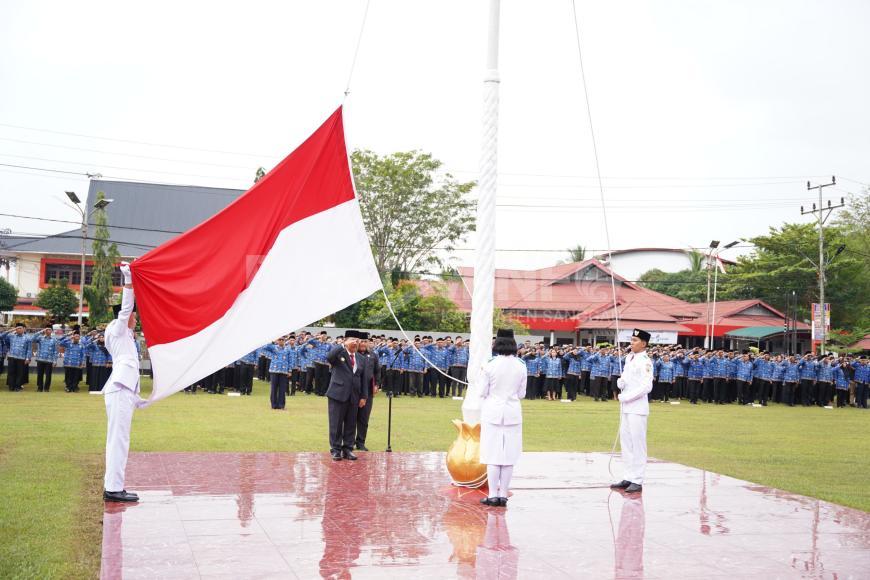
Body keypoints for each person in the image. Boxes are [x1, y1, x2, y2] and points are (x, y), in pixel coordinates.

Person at [102, 262, 146, 503]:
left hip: (123, 391)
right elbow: (126, 307)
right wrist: (129, 281)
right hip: (119, 389)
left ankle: (112, 485)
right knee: (118, 440)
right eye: (133, 317)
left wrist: (138, 398)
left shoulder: (126, 336)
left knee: (119, 439)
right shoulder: (116, 329)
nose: (135, 320)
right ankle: (113, 489)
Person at [479, 329, 526, 507]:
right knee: (509, 456)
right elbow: (521, 393)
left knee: (493, 455)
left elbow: (482, 391)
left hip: (492, 412)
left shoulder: (489, 364)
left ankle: (492, 495)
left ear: (496, 343)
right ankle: (503, 495)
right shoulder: (521, 365)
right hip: (512, 412)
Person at [611, 329, 654, 494]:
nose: (632, 343)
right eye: (631, 340)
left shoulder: (645, 362)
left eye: (635, 340)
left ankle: (637, 479)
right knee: (626, 443)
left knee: (638, 444)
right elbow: (629, 379)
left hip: (637, 408)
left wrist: (627, 396)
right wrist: (622, 382)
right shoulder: (629, 358)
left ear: (643, 343)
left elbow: (646, 386)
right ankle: (628, 476)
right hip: (626, 408)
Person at [325, 330, 367, 461]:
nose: (355, 342)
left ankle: (348, 449)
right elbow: (329, 357)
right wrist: (342, 345)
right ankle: (336, 449)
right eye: (352, 340)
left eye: (357, 340)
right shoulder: (339, 354)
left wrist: (364, 396)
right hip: (338, 394)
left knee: (351, 424)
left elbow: (363, 378)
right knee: (336, 423)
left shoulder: (361, 358)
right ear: (346, 340)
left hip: (354, 396)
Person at [355, 336, 380, 451]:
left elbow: (377, 371)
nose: (363, 343)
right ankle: (348, 443)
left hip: (368, 391)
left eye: (365, 341)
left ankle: (360, 442)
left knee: (364, 418)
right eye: (361, 341)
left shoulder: (373, 355)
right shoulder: (352, 354)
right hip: (353, 390)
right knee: (350, 418)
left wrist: (376, 385)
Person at [2, 323, 33, 391]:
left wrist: (28, 358)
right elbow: (2, 337)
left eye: (20, 328)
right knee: (11, 372)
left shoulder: (28, 338)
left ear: (23, 329)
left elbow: (29, 349)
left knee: (20, 373)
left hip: (21, 358)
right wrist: (10, 330)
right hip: (12, 357)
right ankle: (11, 386)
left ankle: (18, 387)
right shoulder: (11, 336)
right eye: (17, 328)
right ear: (15, 329)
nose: (19, 330)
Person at [33, 325, 60, 392]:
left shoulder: (54, 340)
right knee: (40, 374)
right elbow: (33, 338)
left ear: (52, 331)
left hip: (49, 360)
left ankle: (46, 388)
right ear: (45, 330)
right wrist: (41, 331)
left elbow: (56, 351)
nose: (48, 331)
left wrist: (55, 361)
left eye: (50, 329)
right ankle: (39, 388)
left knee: (48, 375)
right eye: (47, 329)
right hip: (40, 359)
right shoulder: (40, 338)